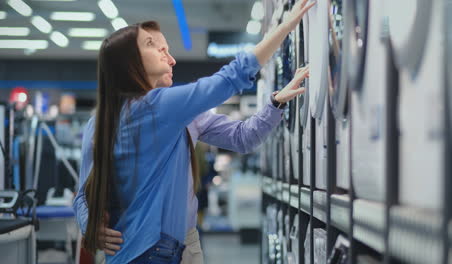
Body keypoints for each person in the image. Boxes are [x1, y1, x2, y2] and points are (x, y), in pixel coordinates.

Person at [73, 1, 314, 263]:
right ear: (131, 62)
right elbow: (230, 78)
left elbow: (244, 138)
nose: (172, 59)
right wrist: (285, 27)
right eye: (160, 50)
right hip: (151, 252)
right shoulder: (152, 108)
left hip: (175, 247)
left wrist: (276, 103)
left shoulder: (115, 119)